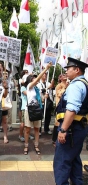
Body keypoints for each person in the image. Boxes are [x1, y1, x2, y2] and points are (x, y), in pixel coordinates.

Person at [53, 57, 88, 185]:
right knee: (74, 161)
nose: (66, 71)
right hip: (78, 128)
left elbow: (72, 110)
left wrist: (63, 130)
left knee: (62, 163)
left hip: (71, 129)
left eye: (69, 68)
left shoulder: (76, 86)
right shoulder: (83, 83)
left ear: (77, 70)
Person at [23, 63, 52, 155]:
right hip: (29, 111)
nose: (36, 79)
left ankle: (36, 145)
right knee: (27, 129)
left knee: (36, 129)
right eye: (34, 78)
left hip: (37, 110)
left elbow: (40, 100)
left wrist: (44, 97)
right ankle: (26, 146)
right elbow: (39, 78)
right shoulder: (29, 87)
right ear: (30, 81)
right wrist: (45, 69)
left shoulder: (37, 89)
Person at [52, 74, 69, 146]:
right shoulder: (59, 86)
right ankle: (54, 140)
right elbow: (60, 94)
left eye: (65, 75)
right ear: (60, 78)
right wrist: (65, 87)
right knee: (58, 123)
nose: (65, 76)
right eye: (62, 75)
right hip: (60, 108)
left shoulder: (70, 85)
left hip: (67, 108)